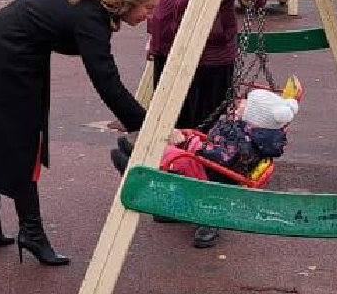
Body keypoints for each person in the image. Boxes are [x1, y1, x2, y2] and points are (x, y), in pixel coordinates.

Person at [0, 0, 166, 266]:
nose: (150, 14)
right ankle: (31, 233)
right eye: (147, 7)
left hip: (9, 53)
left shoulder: (93, 4)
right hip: (5, 58)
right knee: (23, 142)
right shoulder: (91, 16)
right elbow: (106, 81)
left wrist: (134, 118)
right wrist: (144, 125)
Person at [145, 0, 265, 247]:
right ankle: (177, 197)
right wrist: (153, 26)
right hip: (171, 44)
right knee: (174, 126)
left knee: (212, 134)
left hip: (212, 49)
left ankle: (210, 208)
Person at [111, 88, 298, 248]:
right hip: (213, 167)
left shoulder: (246, 141)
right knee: (173, 151)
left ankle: (137, 172)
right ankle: (139, 156)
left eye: (246, 104)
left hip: (214, 175)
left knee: (173, 158)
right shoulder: (249, 132)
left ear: (254, 116)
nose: (241, 102)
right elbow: (217, 144)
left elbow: (220, 157)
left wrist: (192, 143)